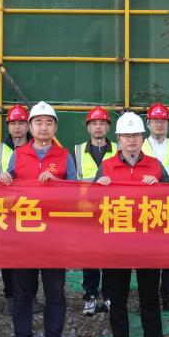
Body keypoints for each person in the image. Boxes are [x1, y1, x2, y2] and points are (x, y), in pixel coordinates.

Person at [0, 101, 76, 337]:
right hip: (24, 234)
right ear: (30, 127)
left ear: (55, 127)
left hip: (55, 234)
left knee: (55, 290)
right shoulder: (18, 155)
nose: (43, 127)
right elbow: (6, 191)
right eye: (38, 122)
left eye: (49, 123)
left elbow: (76, 193)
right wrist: (3, 180)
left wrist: (57, 183)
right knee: (23, 290)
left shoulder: (64, 156)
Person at [95, 111, 168, 337]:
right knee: (118, 297)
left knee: (150, 296)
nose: (131, 140)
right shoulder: (106, 166)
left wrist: (159, 187)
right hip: (117, 242)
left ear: (142, 137)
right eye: (126, 136)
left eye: (136, 135)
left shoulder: (155, 166)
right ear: (118, 138)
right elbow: (91, 204)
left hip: (149, 241)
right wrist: (98, 188)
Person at [142, 102, 169, 312]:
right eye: (155, 120)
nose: (159, 124)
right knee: (148, 255)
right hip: (145, 208)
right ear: (148, 123)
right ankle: (149, 297)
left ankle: (168, 298)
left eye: (163, 121)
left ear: (168, 124)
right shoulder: (139, 145)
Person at [74, 106, 117, 316]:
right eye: (94, 123)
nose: (98, 127)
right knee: (89, 256)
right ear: (88, 127)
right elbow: (70, 182)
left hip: (112, 211)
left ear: (108, 127)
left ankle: (109, 296)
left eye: (102, 123)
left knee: (111, 255)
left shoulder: (118, 149)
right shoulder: (77, 151)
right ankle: (90, 296)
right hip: (87, 213)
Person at [0, 103, 30, 310]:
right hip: (6, 210)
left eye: (21, 123)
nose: (17, 127)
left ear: (28, 125)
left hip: (30, 209)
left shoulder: (36, 147)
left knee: (30, 255)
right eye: (13, 123)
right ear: (7, 126)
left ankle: (29, 296)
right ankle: (10, 296)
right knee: (7, 255)